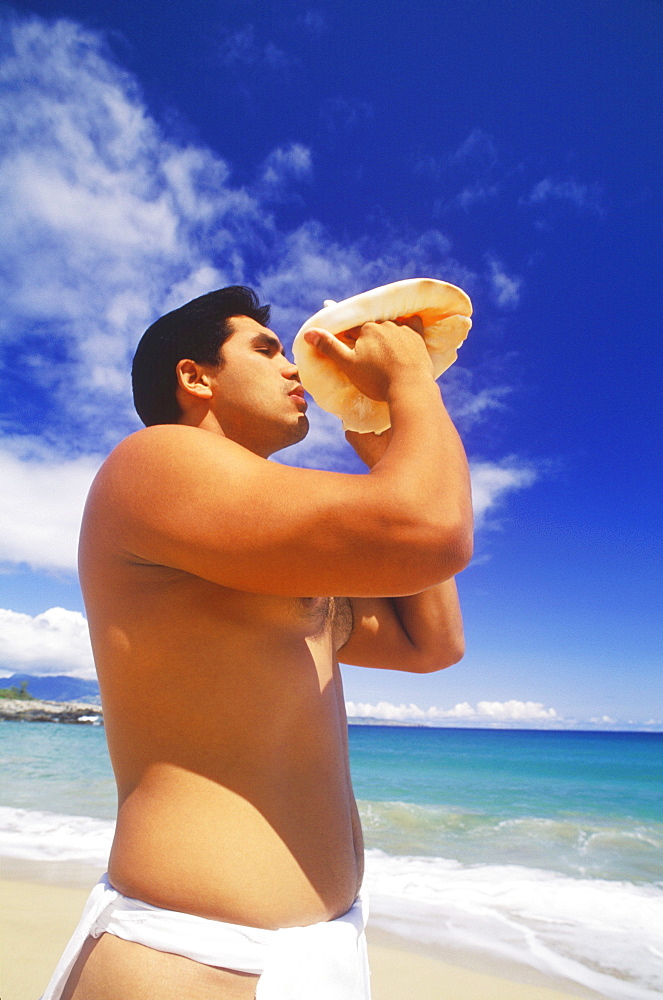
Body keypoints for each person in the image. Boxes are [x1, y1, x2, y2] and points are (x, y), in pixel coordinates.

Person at [46, 285, 473, 999]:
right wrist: (407, 381)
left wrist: (384, 446)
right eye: (266, 349)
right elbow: (431, 531)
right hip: (189, 956)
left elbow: (431, 643)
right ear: (196, 376)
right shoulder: (154, 462)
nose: (294, 370)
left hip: (320, 952)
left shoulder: (263, 543)